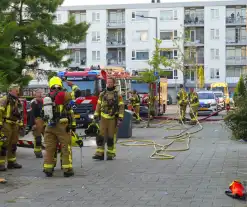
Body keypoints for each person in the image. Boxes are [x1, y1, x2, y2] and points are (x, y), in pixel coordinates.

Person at [42, 76, 78, 177]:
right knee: (65, 147)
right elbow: (78, 93)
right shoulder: (63, 94)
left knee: (50, 148)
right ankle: (67, 169)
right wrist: (72, 85)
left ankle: (48, 169)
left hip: (49, 126)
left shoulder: (47, 97)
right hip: (61, 126)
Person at [93, 77, 124, 160]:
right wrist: (96, 114)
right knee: (101, 136)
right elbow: (98, 105)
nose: (109, 83)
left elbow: (121, 107)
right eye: (108, 82)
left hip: (112, 118)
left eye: (110, 82)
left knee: (111, 137)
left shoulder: (117, 95)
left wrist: (120, 117)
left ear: (114, 83)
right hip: (103, 117)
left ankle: (110, 153)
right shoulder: (102, 94)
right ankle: (100, 153)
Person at [0, 84, 23, 171]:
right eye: (16, 89)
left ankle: (11, 162)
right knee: (3, 143)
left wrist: (20, 124)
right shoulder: (5, 99)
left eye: (18, 89)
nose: (18, 91)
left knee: (13, 144)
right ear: (11, 90)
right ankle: (1, 163)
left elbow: (19, 113)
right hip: (6, 123)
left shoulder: (17, 101)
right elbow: (0, 111)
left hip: (15, 124)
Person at [31, 89, 44, 158]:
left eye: (41, 92)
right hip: (37, 120)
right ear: (35, 94)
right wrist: (33, 124)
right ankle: (38, 152)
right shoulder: (33, 102)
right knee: (38, 138)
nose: (40, 94)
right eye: (38, 92)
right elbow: (31, 114)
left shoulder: (43, 101)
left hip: (44, 121)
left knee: (48, 137)